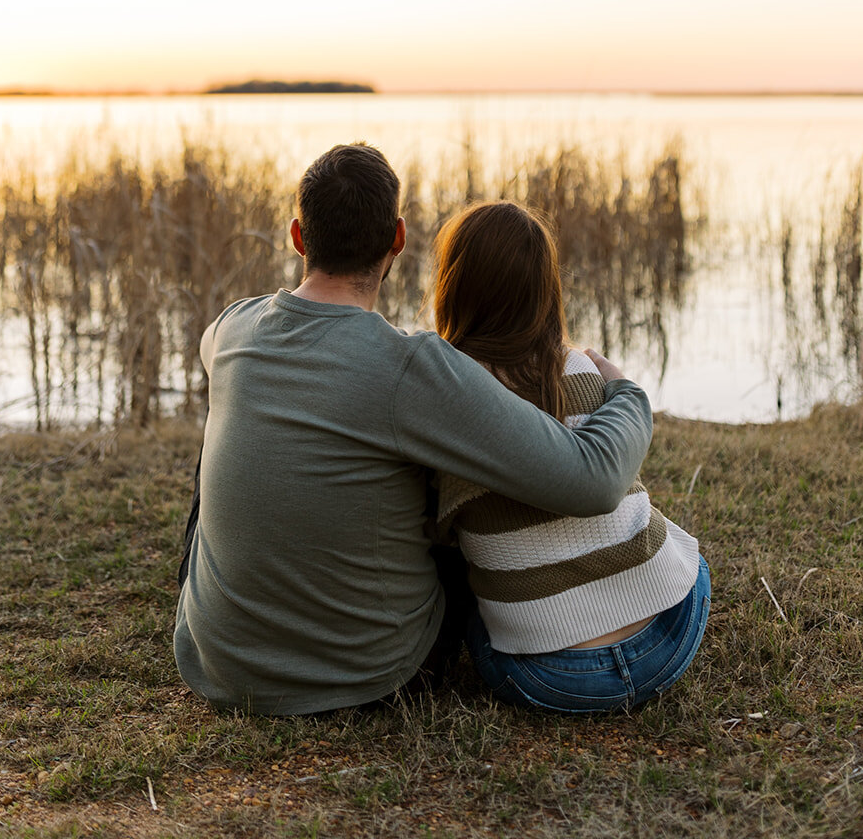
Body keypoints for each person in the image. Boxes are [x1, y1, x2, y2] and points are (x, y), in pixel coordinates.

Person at [174, 143, 654, 715]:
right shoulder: (410, 368)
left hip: (219, 667)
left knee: (220, 454)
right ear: (398, 239)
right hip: (367, 678)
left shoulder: (231, 331)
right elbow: (593, 481)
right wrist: (627, 394)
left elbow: (220, 359)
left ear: (299, 237)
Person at [432, 200, 709, 714]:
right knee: (683, 550)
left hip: (550, 677)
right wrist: (621, 385)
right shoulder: (582, 369)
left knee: (463, 579)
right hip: (666, 645)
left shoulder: (446, 401)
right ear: (546, 290)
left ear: (455, 286)